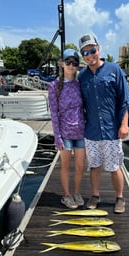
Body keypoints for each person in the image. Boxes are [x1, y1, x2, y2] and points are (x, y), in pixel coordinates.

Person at [78, 34, 129, 213]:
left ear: (98, 49)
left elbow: (125, 100)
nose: (89, 54)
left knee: (114, 167)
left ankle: (120, 198)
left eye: (92, 50)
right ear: (82, 55)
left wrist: (124, 125)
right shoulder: (82, 76)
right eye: (85, 52)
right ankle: (94, 195)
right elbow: (78, 104)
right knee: (94, 166)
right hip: (91, 131)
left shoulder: (114, 70)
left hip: (111, 131)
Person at [48, 48, 86, 209]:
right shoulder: (54, 86)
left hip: (81, 132)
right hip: (65, 134)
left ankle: (76, 192)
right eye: (68, 62)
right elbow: (54, 114)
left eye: (75, 62)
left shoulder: (80, 84)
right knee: (65, 166)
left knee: (79, 166)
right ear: (62, 64)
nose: (71, 65)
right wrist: (57, 136)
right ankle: (66, 195)